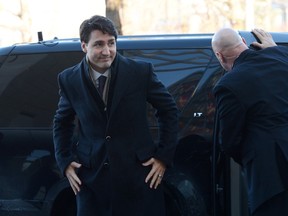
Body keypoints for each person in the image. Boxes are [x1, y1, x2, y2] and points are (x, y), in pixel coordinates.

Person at [53, 15, 178, 216]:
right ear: (84, 46)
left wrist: (163, 157)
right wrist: (65, 161)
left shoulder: (140, 72)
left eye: (111, 43)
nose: (106, 51)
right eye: (99, 44)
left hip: (139, 177)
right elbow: (61, 122)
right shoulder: (69, 79)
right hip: (91, 181)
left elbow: (168, 110)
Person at [212, 28, 288, 216]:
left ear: (219, 55)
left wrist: (251, 156)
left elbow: (229, 141)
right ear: (244, 43)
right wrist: (275, 50)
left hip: (271, 176)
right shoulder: (282, 56)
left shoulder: (228, 84)